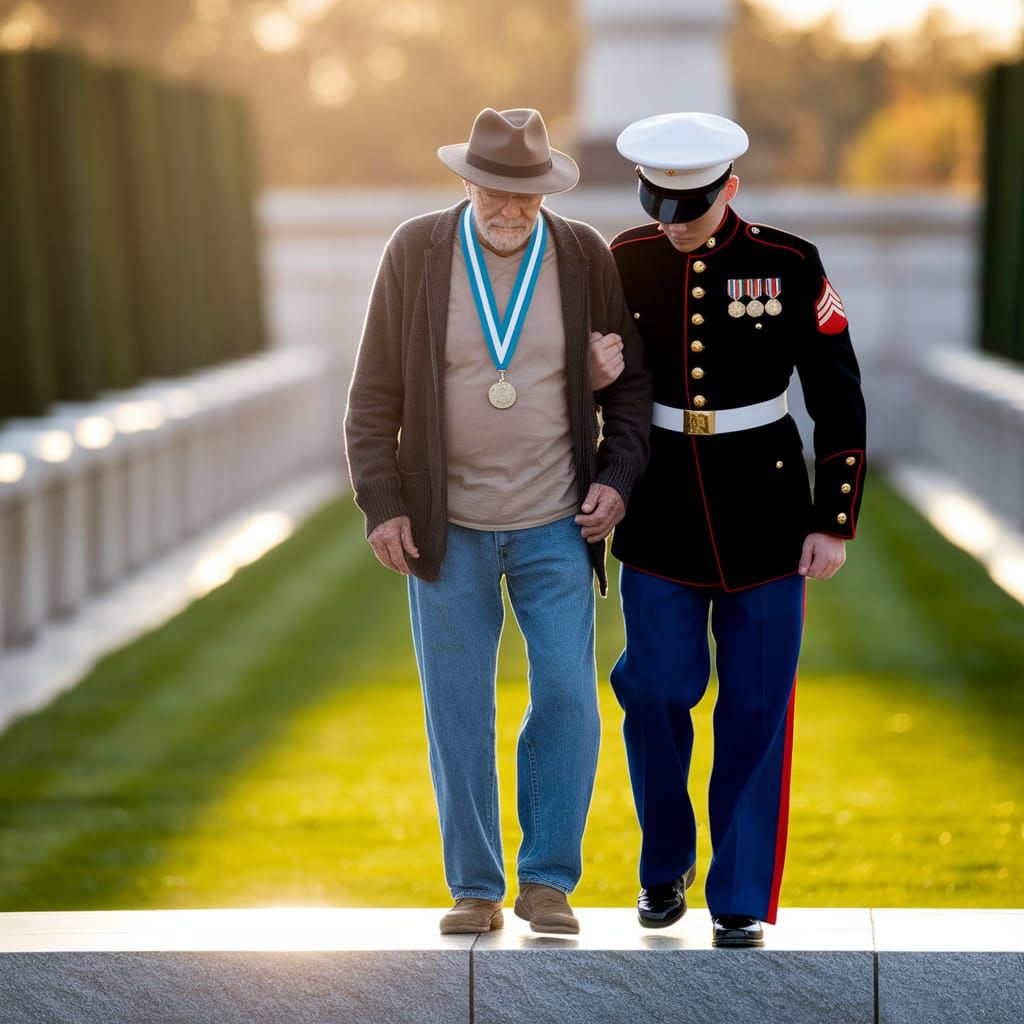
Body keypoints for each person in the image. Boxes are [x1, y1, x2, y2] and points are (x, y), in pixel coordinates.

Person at [344, 107, 651, 935]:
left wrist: (617, 480)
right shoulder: (416, 251)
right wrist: (383, 503)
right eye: (497, 192)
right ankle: (475, 888)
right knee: (458, 705)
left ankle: (547, 880)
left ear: (547, 191)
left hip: (556, 520)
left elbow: (628, 392)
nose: (512, 211)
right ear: (469, 183)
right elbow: (372, 397)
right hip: (450, 528)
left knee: (566, 694)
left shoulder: (583, 254)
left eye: (528, 196)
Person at [604, 112, 867, 947]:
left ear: (730, 189)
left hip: (768, 513)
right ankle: (664, 861)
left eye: (690, 208)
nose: (673, 225)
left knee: (756, 706)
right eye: (661, 207)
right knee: (650, 690)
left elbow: (838, 394)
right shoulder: (624, 260)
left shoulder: (789, 264)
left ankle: (741, 894)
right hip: (660, 510)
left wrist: (835, 521)